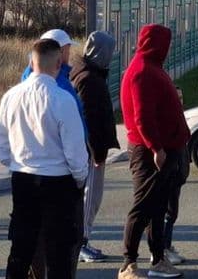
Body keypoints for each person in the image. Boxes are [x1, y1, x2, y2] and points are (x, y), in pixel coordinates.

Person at [0, 38, 89, 279]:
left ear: (31, 62)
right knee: (58, 252)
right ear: (58, 64)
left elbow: (2, 148)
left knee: (21, 249)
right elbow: (75, 150)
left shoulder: (11, 97)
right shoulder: (63, 99)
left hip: (23, 178)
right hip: (58, 181)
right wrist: (80, 178)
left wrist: (17, 164)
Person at [118, 24, 189, 279]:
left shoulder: (152, 67)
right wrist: (156, 148)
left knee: (158, 208)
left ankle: (158, 259)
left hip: (166, 148)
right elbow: (143, 117)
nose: (169, 48)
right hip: (150, 152)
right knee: (142, 207)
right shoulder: (142, 71)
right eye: (166, 43)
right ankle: (128, 264)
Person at [70, 32, 121, 263]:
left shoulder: (86, 74)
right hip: (90, 151)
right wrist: (96, 152)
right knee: (90, 198)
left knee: (90, 198)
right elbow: (90, 118)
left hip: (90, 149)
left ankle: (81, 240)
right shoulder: (89, 79)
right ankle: (80, 242)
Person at [159, 86, 189, 267]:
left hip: (178, 174)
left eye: (181, 97)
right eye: (176, 98)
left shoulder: (179, 116)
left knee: (172, 212)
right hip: (169, 172)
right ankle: (161, 249)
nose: (180, 101)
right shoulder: (167, 119)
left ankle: (167, 245)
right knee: (167, 212)